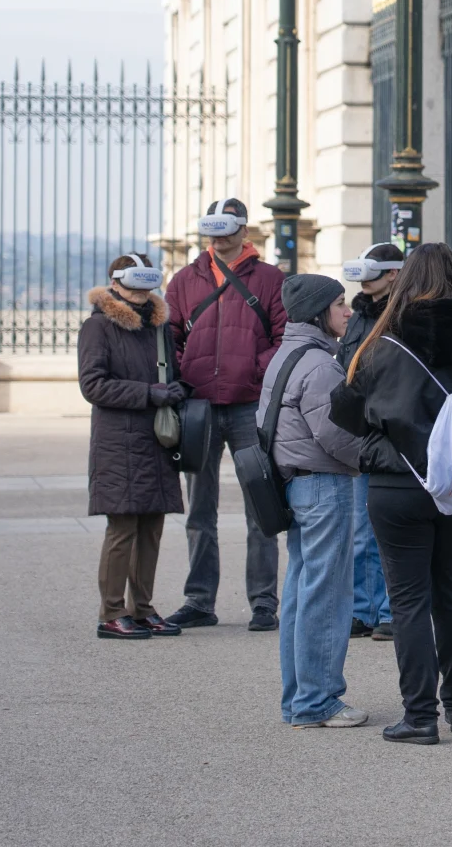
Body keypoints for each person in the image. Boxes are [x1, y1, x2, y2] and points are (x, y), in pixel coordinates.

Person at [331, 243, 452, 744]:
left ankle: (419, 715)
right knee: (451, 593)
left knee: (408, 600)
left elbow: (344, 408)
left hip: (397, 484)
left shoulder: (383, 344)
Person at [163, 199, 287, 632]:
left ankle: (263, 603)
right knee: (199, 510)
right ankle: (199, 600)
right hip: (199, 407)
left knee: (261, 508)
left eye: (225, 229)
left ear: (243, 230)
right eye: (211, 230)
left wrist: (254, 369)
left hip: (249, 404)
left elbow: (284, 337)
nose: (217, 238)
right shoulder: (182, 281)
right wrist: (184, 378)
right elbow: (170, 338)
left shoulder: (271, 279)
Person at [265, 273, 369, 729]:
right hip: (325, 486)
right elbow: (337, 436)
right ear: (317, 312)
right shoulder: (321, 365)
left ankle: (298, 700)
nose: (348, 311)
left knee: (301, 594)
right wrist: (373, 457)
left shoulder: (287, 354)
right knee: (327, 596)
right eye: (340, 304)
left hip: (297, 485)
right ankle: (318, 702)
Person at [79, 252, 185, 639]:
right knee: (122, 526)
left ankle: (142, 607)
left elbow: (170, 371)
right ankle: (111, 611)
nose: (141, 294)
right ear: (115, 283)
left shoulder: (156, 326)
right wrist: (149, 393)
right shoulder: (98, 326)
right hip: (118, 439)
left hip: (156, 436)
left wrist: (175, 389)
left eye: (147, 286)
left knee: (151, 526)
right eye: (134, 285)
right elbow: (92, 385)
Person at [339, 242, 404, 642]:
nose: (363, 281)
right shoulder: (358, 313)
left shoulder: (405, 314)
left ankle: (392, 610)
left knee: (389, 528)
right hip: (362, 429)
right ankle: (363, 610)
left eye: (372, 273)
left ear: (393, 274)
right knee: (362, 528)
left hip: (395, 431)